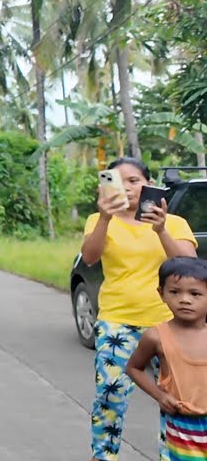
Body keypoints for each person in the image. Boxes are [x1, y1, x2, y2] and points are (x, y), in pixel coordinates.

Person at [82, 156, 197, 461]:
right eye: (119, 182)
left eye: (134, 181)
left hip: (168, 323)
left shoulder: (174, 223)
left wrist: (160, 230)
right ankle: (104, 456)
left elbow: (189, 265)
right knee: (110, 395)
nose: (128, 188)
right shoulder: (97, 220)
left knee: (175, 397)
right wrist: (105, 217)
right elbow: (90, 257)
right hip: (117, 320)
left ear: (149, 184)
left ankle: (174, 455)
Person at [127, 257, 207, 461]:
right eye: (175, 292)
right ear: (161, 293)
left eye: (195, 293)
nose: (185, 300)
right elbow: (134, 368)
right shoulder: (156, 336)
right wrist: (160, 396)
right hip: (183, 428)